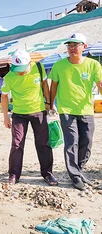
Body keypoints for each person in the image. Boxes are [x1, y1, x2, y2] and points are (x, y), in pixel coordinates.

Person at [49, 33, 102, 190]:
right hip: (66, 109)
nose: (72, 48)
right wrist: (50, 104)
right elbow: (53, 86)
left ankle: (79, 169)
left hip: (86, 109)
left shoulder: (93, 65)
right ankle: (75, 176)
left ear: (84, 47)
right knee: (72, 142)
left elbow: (100, 84)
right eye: (69, 45)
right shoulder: (59, 65)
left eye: (76, 45)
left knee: (87, 141)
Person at [0, 48, 58, 186]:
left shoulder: (38, 67)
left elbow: (45, 85)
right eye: (16, 68)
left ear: (29, 63)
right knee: (17, 144)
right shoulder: (9, 77)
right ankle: (14, 175)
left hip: (39, 112)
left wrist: (49, 104)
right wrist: (5, 117)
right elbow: (4, 96)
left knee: (43, 144)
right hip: (19, 114)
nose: (19, 71)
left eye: (22, 68)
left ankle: (48, 173)